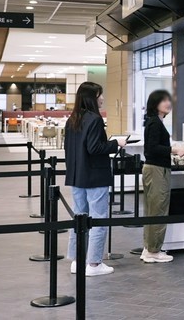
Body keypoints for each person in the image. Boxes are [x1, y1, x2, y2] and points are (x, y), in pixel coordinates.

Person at [64, 82, 126, 277]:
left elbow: (70, 149)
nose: (102, 98)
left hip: (77, 176)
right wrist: (116, 143)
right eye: (100, 95)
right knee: (98, 219)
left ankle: (77, 260)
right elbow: (95, 148)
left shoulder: (72, 119)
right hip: (95, 176)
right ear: (92, 97)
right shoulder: (95, 119)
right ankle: (94, 263)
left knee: (79, 218)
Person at [140, 90, 184, 264]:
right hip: (157, 170)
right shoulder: (155, 122)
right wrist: (174, 150)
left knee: (152, 209)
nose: (168, 103)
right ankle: (153, 251)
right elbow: (152, 148)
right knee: (158, 209)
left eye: (169, 100)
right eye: (163, 100)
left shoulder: (154, 121)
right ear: (155, 104)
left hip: (154, 169)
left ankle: (149, 248)